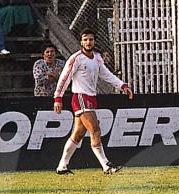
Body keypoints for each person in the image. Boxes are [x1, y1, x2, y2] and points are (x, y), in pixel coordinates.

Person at [53, 29, 135, 176]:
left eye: (91, 39)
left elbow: (106, 74)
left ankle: (62, 166)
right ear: (81, 42)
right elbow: (65, 78)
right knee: (95, 129)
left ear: (94, 41)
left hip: (91, 98)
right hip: (80, 97)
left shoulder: (97, 58)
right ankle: (106, 165)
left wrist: (122, 85)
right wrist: (58, 97)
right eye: (85, 39)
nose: (88, 42)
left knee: (78, 134)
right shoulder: (76, 58)